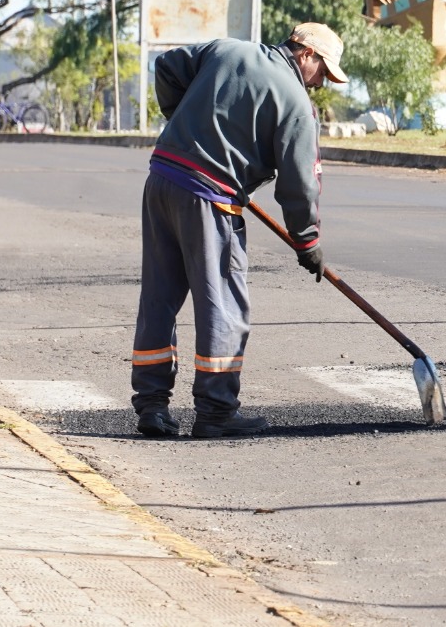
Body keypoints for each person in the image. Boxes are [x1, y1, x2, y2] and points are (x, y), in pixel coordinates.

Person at [130, 22, 346, 439]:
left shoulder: (227, 51)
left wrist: (183, 123)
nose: (322, 83)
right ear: (306, 55)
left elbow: (167, 68)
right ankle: (215, 411)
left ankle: (151, 407)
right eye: (323, 71)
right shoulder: (297, 103)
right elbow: (300, 185)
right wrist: (307, 241)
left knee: (158, 298)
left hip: (162, 180)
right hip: (209, 198)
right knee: (223, 304)